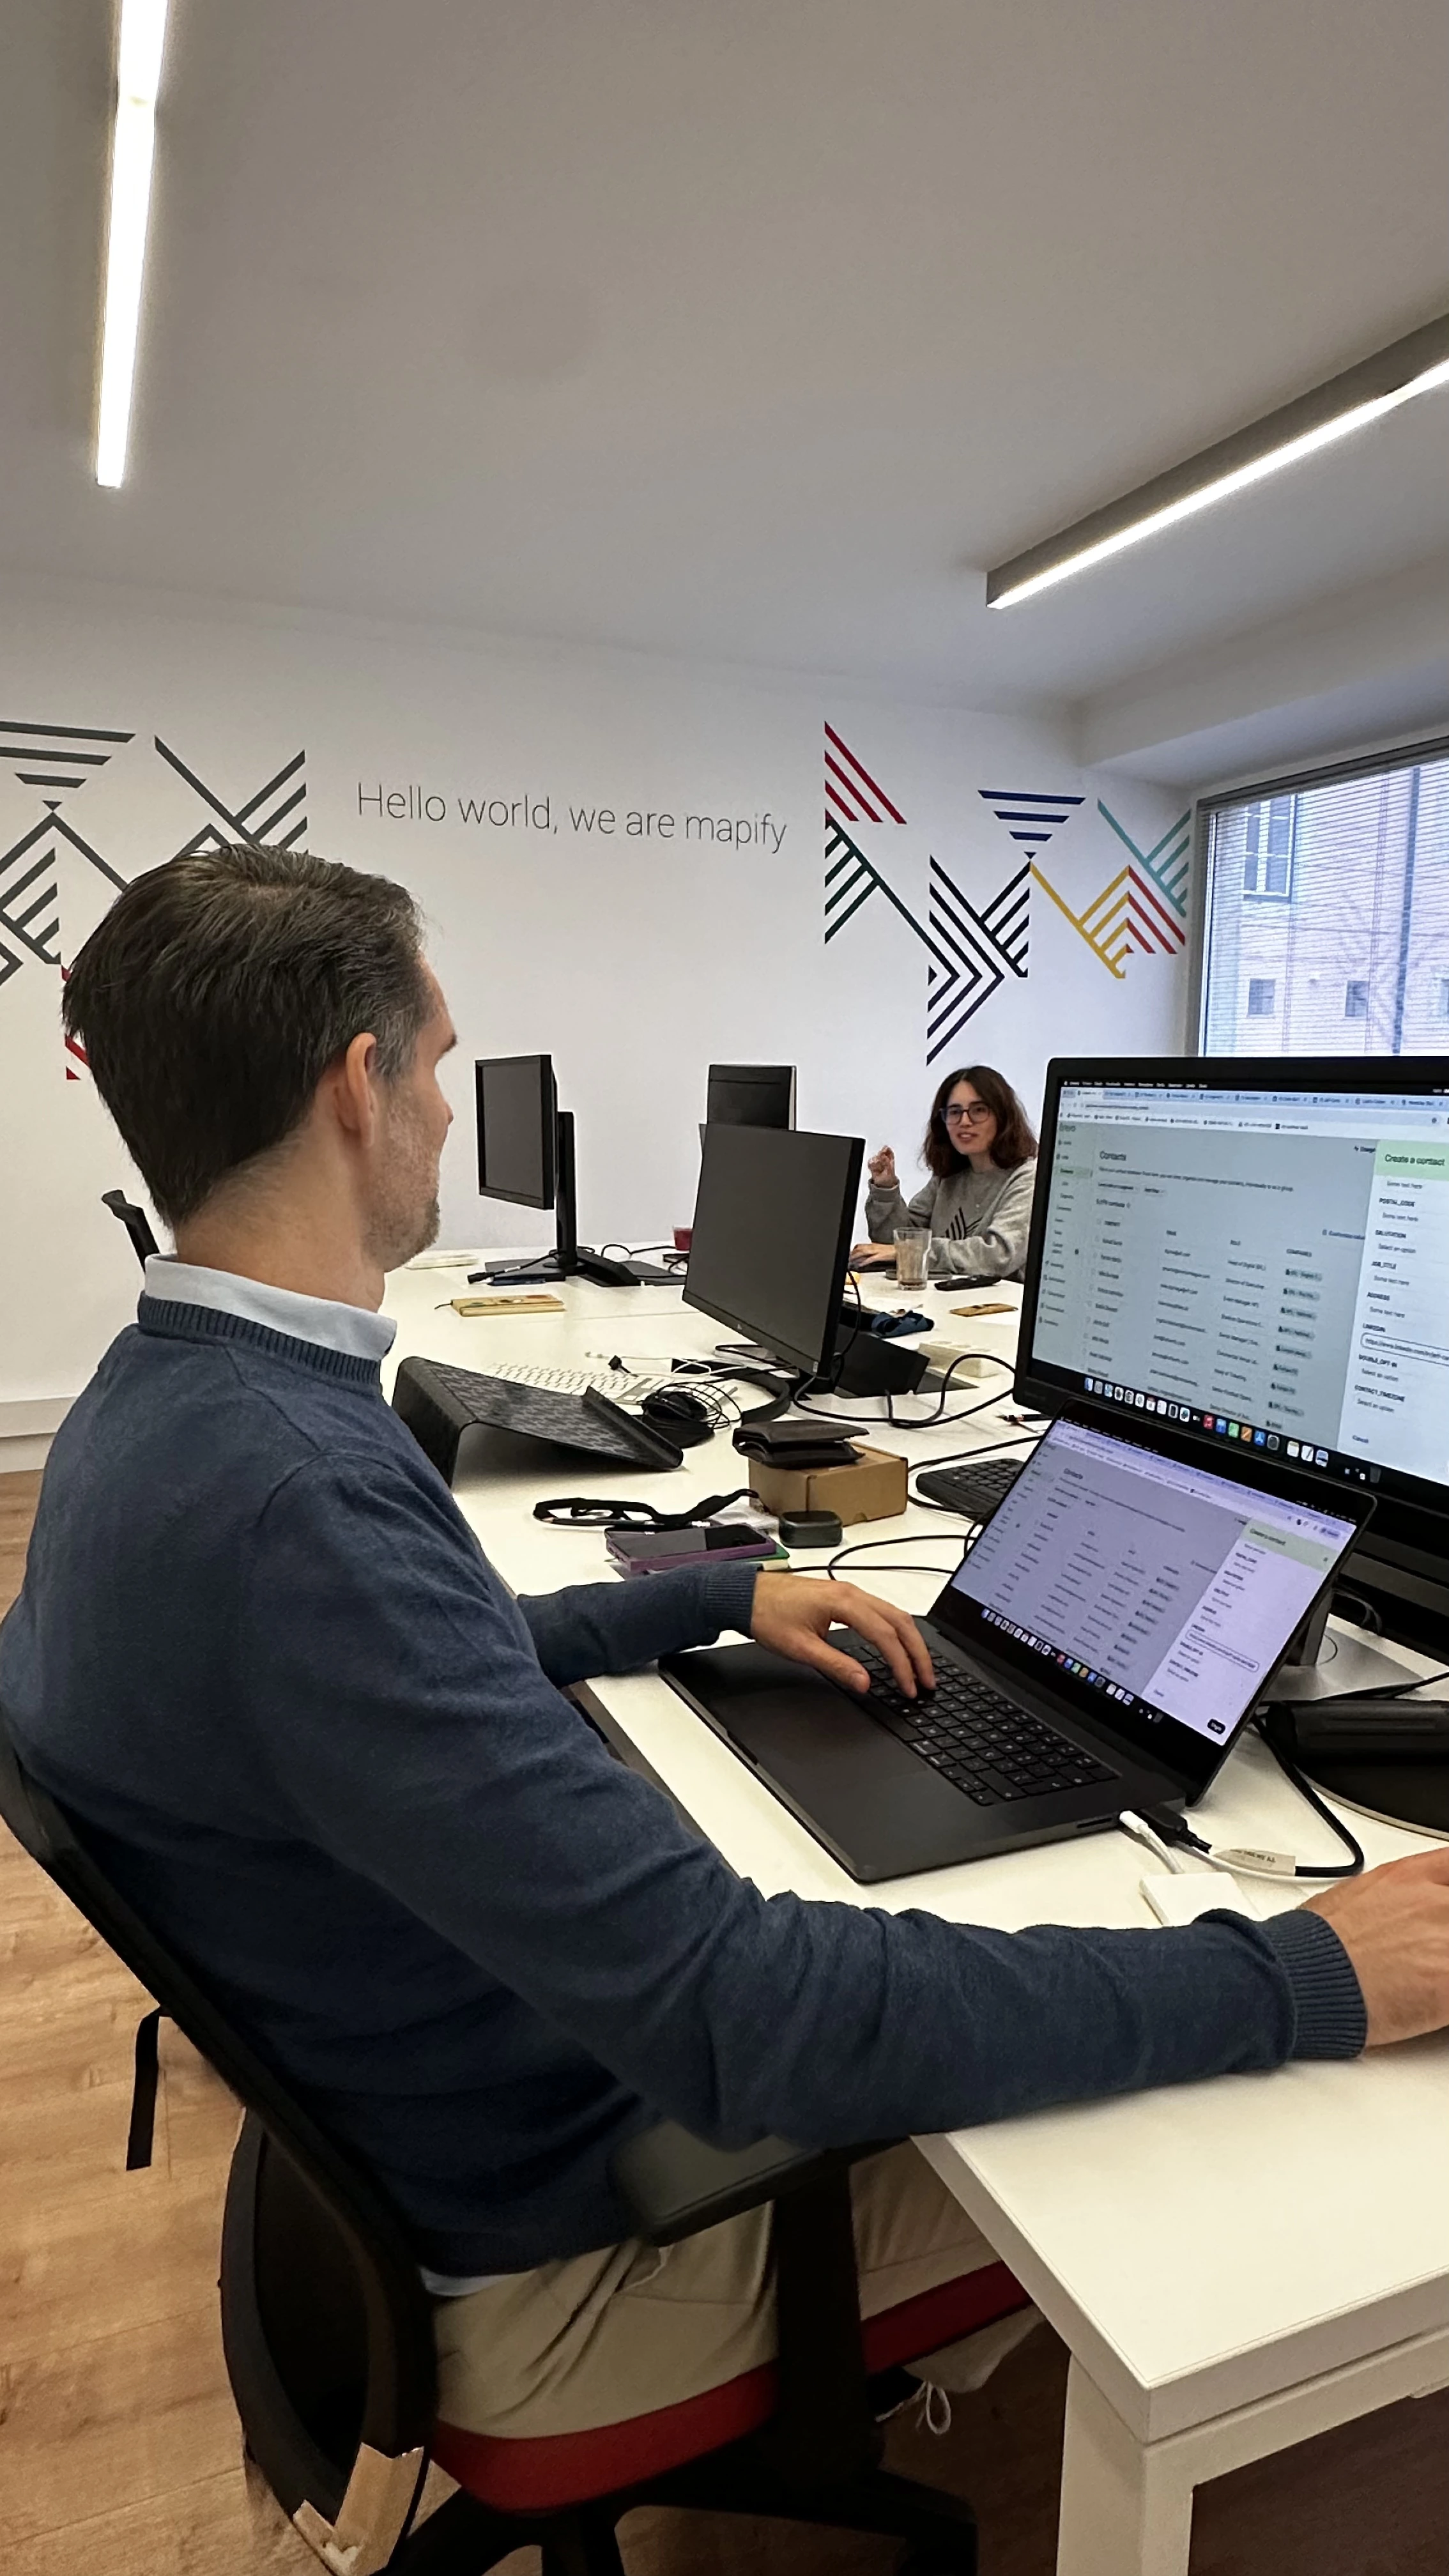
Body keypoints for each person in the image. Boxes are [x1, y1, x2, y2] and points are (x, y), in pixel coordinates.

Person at [5, 848, 1449, 2475]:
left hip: (453, 2123)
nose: (444, 1105)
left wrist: (704, 1597)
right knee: (1242, 2132)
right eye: (444, 1060)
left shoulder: (164, 1404)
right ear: (361, 1085)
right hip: (575, 2259)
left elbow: (410, 1667)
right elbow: (749, 2018)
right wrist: (1303, 1973)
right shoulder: (295, 1498)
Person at [853, 1063, 1036, 1280]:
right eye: (955, 1112)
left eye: (979, 1111)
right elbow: (892, 1243)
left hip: (993, 1310)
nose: (965, 1122)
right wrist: (886, 1191)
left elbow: (997, 1256)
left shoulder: (1029, 1177)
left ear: (1003, 1117)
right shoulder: (948, 1175)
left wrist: (912, 1252)